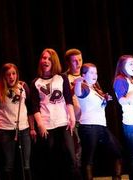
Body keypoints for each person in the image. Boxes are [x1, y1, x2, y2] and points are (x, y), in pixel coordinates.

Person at [29, 48, 80, 179]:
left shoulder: (61, 78)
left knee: (71, 157)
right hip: (47, 126)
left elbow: (68, 99)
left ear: (54, 62)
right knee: (51, 160)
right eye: (43, 58)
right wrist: (40, 125)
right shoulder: (36, 82)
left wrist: (72, 117)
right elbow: (34, 107)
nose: (45, 61)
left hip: (63, 123)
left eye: (49, 59)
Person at [0, 63, 36, 180]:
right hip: (5, 131)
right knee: (9, 164)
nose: (11, 77)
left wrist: (32, 128)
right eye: (8, 74)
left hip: (23, 129)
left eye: (14, 74)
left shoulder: (23, 87)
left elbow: (30, 110)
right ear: (3, 76)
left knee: (26, 164)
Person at [75, 63, 123, 180]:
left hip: (101, 126)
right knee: (89, 158)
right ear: (84, 75)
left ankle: (116, 177)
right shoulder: (84, 87)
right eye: (91, 72)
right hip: (89, 126)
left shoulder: (96, 89)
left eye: (96, 72)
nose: (95, 75)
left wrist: (105, 98)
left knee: (117, 151)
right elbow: (78, 93)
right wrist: (78, 82)